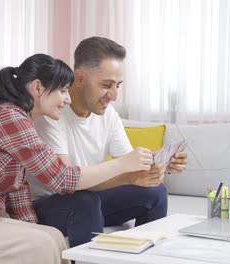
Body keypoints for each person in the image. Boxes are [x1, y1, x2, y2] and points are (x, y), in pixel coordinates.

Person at [0, 53, 154, 264]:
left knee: (51, 237)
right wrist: (122, 163)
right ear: (38, 88)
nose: (67, 98)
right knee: (41, 244)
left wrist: (35, 229)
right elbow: (61, 179)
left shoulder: (19, 121)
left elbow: (18, 194)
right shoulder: (8, 116)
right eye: (63, 90)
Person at [28, 37, 188, 247]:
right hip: (50, 204)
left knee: (155, 192)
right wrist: (129, 176)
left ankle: (145, 259)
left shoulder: (108, 115)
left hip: (87, 198)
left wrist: (160, 165)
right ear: (80, 78)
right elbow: (66, 184)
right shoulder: (53, 112)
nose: (113, 95)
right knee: (85, 202)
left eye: (118, 86)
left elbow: (131, 167)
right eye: (106, 85)